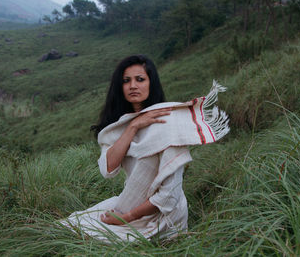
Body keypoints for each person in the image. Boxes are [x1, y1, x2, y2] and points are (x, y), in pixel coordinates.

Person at [61, 55, 229, 242]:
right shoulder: (120, 126)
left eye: (140, 79)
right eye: (126, 81)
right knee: (69, 226)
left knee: (95, 237)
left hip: (163, 215)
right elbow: (108, 169)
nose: (133, 85)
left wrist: (127, 217)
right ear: (120, 87)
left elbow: (169, 196)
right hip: (129, 202)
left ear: (151, 83)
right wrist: (133, 127)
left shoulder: (168, 123)